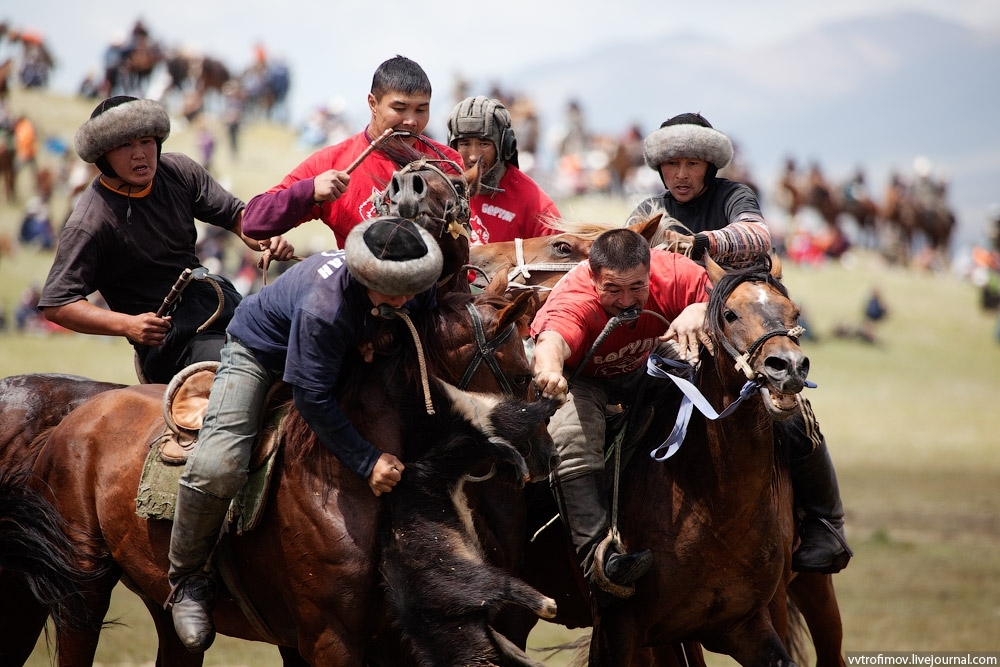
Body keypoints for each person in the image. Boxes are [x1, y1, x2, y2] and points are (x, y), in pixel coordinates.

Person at [166, 216, 443, 652]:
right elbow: (311, 397)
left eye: (412, 289)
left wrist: (383, 333)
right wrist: (367, 462)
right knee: (218, 465)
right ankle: (186, 579)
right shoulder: (324, 308)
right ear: (365, 275)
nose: (407, 299)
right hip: (261, 353)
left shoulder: (408, 283)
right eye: (396, 293)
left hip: (337, 348)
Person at [627, 112, 852, 574]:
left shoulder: (735, 196)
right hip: (674, 340)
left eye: (692, 163)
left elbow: (756, 235)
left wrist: (701, 241)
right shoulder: (648, 211)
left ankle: (826, 525)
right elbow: (631, 258)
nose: (681, 174)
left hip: (742, 336)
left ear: (710, 164)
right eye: (672, 164)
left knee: (793, 420)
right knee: (624, 420)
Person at [37, 96, 293, 384]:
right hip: (172, 344)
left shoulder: (179, 171)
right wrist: (128, 325)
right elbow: (58, 304)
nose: (140, 154)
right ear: (103, 156)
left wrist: (264, 237)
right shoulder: (91, 222)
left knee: (306, 345)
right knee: (252, 369)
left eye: (146, 141)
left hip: (223, 309)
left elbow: (236, 216)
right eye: (125, 145)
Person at [530, 227, 712, 597]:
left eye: (637, 287)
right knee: (569, 436)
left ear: (651, 270)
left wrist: (701, 309)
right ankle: (599, 558)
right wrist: (549, 372)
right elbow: (552, 340)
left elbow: (729, 304)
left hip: (654, 370)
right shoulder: (574, 296)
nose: (627, 300)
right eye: (612, 289)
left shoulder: (678, 273)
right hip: (585, 380)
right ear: (592, 276)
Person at [242, 55, 463, 250]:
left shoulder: (447, 163)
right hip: (359, 292)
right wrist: (309, 191)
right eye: (399, 108)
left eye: (421, 110)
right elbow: (252, 221)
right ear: (373, 104)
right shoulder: (332, 163)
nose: (411, 121)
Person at [445, 95, 560, 244]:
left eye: (484, 144)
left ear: (504, 146)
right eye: (465, 144)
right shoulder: (443, 192)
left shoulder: (538, 207)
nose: (473, 156)